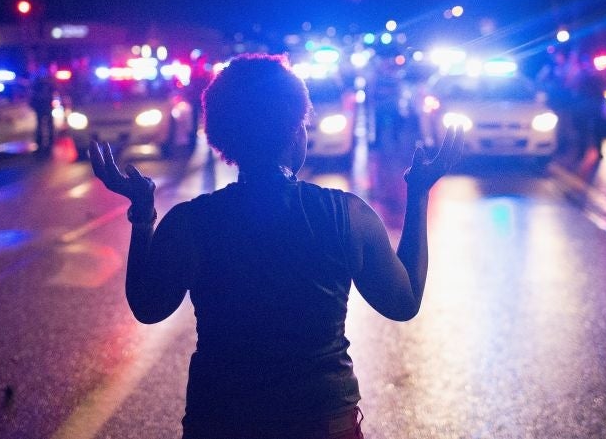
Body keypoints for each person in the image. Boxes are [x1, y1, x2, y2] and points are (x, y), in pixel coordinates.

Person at [90, 53, 463, 439]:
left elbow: (148, 307)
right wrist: (418, 193)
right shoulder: (345, 214)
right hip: (322, 419)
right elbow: (403, 303)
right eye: (301, 122)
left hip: (220, 418)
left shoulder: (192, 221)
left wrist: (142, 213)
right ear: (293, 132)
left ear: (224, 136)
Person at [30, 66, 56, 155]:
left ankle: (48, 142)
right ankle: (41, 143)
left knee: (47, 125)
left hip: (45, 106)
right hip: (42, 107)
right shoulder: (39, 84)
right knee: (41, 126)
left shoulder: (46, 84)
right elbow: (34, 95)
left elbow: (52, 93)